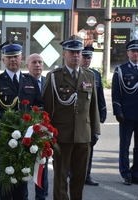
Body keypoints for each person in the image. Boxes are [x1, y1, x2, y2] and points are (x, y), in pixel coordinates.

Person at [42, 35, 100, 200]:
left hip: (84, 134)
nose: (76, 56)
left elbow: (93, 106)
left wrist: (95, 130)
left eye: (78, 52)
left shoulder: (89, 76)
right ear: (64, 55)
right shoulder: (54, 76)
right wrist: (48, 133)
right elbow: (47, 106)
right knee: (60, 178)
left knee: (79, 177)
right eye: (72, 52)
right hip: (61, 134)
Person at [0, 40, 44, 200]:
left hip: (27, 137)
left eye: (16, 57)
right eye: (9, 57)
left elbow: (39, 105)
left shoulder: (30, 81)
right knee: (5, 178)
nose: (12, 60)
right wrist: (11, 124)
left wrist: (29, 123)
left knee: (22, 177)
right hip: (5, 137)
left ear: (21, 58)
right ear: (3, 59)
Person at [112, 39, 138, 185]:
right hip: (127, 114)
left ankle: (136, 173)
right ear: (128, 53)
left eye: (137, 51)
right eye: (133, 51)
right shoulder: (121, 70)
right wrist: (118, 112)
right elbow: (116, 93)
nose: (136, 54)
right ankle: (126, 173)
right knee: (125, 146)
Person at [80, 46, 107, 186]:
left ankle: (87, 174)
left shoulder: (95, 74)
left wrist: (103, 111)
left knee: (90, 146)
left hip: (91, 117)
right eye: (84, 57)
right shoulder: (76, 73)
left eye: (89, 57)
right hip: (78, 117)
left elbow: (100, 96)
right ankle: (72, 173)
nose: (87, 60)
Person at [25, 53, 48, 200]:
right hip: (26, 130)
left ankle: (42, 197)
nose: (37, 65)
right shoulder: (23, 81)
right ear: (27, 66)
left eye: (40, 62)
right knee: (24, 166)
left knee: (42, 166)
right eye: (34, 62)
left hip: (45, 131)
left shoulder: (49, 82)